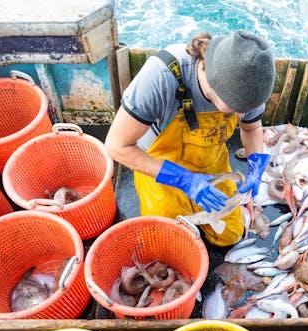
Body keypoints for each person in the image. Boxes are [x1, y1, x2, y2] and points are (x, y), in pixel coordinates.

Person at [105, 30, 275, 247]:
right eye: (235, 109)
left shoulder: (251, 85)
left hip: (211, 164)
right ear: (213, 84)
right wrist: (184, 180)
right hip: (161, 168)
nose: (242, 115)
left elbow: (251, 128)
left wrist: (255, 165)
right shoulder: (162, 75)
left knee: (229, 235)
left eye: (248, 108)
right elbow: (116, 146)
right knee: (165, 242)